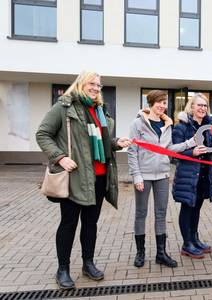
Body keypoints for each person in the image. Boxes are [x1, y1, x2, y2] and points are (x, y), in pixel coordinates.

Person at [36, 71, 132, 290]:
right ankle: (63, 269)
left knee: (91, 223)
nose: (96, 88)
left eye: (98, 85)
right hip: (75, 177)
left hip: (98, 178)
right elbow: (43, 134)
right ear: (81, 84)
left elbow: (101, 141)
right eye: (92, 83)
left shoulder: (99, 110)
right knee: (68, 223)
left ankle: (88, 264)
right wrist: (60, 157)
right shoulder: (64, 107)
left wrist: (117, 142)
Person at [127, 90, 196, 268]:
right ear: (151, 102)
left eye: (165, 103)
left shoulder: (167, 125)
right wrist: (136, 176)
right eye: (159, 102)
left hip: (163, 175)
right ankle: (140, 253)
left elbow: (170, 148)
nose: (162, 106)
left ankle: (161, 253)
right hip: (144, 176)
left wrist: (190, 143)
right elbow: (132, 151)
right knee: (141, 213)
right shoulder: (138, 123)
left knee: (161, 214)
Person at [172, 93, 212, 259]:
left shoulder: (208, 126)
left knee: (197, 208)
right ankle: (186, 244)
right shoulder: (181, 127)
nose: (202, 108)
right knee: (187, 208)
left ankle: (194, 238)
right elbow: (173, 153)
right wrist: (192, 152)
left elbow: (210, 147)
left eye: (205, 106)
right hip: (188, 176)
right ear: (191, 107)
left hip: (204, 175)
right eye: (199, 105)